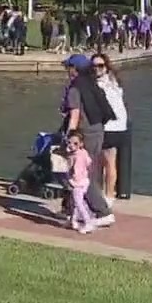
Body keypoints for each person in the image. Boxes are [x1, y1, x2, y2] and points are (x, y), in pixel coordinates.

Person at [60, 54, 116, 227]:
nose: (66, 71)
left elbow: (75, 114)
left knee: (82, 175)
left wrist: (69, 138)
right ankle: (72, 213)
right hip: (98, 130)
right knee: (85, 171)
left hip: (84, 135)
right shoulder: (92, 84)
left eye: (68, 67)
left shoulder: (75, 88)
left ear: (75, 69)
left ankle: (102, 212)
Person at [92, 53, 128, 207]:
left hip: (111, 126)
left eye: (100, 66)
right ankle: (106, 194)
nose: (96, 69)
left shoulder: (102, 84)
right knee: (104, 162)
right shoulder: (115, 81)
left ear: (106, 67)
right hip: (118, 125)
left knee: (107, 162)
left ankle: (108, 195)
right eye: (94, 66)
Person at [64, 130, 96, 235]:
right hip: (85, 181)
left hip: (77, 183)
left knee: (78, 203)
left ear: (81, 144)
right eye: (69, 143)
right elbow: (89, 163)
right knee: (75, 201)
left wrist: (71, 181)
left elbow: (74, 171)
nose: (71, 145)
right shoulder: (84, 152)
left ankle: (88, 223)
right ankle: (73, 221)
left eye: (75, 143)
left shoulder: (75, 156)